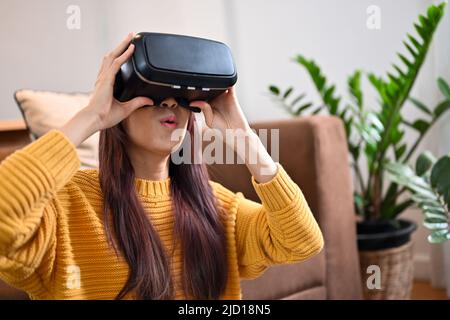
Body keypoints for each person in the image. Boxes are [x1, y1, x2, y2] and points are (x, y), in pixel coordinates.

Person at [0, 32, 323, 300]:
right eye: (151, 95)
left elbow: (302, 243)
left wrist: (245, 139)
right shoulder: (66, 203)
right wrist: (91, 117)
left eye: (180, 96)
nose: (169, 103)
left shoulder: (216, 205)